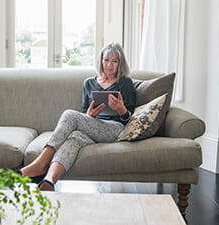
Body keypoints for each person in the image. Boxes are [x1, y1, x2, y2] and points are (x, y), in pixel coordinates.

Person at [18, 42, 137, 191]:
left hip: (115, 129)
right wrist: (89, 115)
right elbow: (84, 113)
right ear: (101, 61)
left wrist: (121, 109)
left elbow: (129, 119)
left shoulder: (125, 82)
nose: (110, 65)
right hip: (92, 126)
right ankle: (49, 180)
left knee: (70, 115)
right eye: (106, 60)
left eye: (115, 61)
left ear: (120, 63)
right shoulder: (89, 83)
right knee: (74, 138)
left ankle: (40, 163)